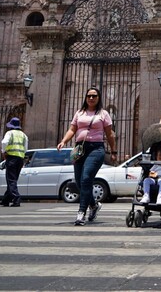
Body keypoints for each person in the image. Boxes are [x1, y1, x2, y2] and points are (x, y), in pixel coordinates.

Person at [57, 86, 117, 226]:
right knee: (79, 181)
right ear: (85, 98)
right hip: (79, 149)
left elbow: (109, 134)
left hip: (96, 149)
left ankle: (81, 213)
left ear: (98, 98)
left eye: (94, 96)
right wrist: (63, 141)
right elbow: (72, 129)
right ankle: (94, 205)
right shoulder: (79, 113)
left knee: (86, 178)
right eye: (89, 96)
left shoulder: (103, 114)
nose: (91, 98)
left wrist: (113, 151)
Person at [0, 117, 29, 207]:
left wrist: (4, 152)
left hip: (11, 158)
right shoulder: (24, 135)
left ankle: (16, 198)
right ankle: (6, 200)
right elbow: (26, 148)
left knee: (11, 180)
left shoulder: (10, 133)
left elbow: (4, 143)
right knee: (13, 179)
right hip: (20, 159)